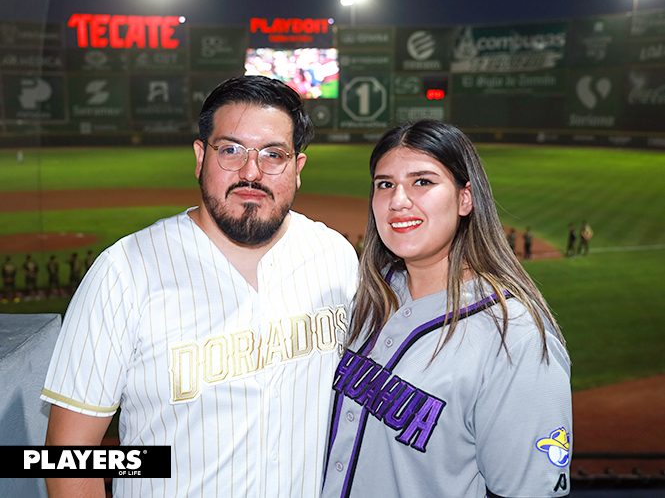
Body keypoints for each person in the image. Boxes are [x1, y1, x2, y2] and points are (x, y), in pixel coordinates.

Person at [41, 75, 359, 498]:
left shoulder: (335, 256)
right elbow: (68, 454)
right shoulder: (123, 272)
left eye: (273, 154)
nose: (251, 172)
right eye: (230, 150)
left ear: (297, 169)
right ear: (200, 157)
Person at [321, 121, 571, 498]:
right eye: (385, 184)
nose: (398, 200)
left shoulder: (514, 339)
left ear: (465, 198)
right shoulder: (367, 298)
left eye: (422, 181)